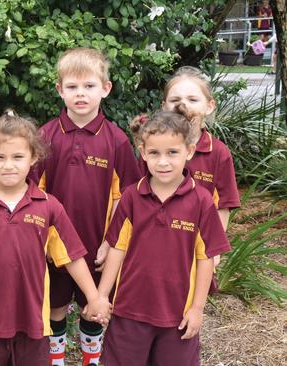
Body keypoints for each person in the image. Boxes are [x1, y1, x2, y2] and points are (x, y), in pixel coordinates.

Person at [0, 112, 111, 366]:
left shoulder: (49, 206)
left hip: (33, 322)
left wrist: (94, 297)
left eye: (18, 157)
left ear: (33, 158)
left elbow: (72, 257)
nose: (8, 165)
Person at [97, 109, 231, 366]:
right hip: (129, 311)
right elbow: (117, 249)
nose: (163, 162)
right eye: (155, 153)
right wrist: (103, 295)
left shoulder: (202, 201)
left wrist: (197, 309)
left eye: (172, 152)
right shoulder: (131, 197)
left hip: (178, 315)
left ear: (189, 152)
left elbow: (205, 259)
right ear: (143, 152)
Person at [33, 47, 140, 366]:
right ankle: (56, 358)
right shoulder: (46, 135)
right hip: (53, 244)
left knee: (92, 305)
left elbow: (127, 197)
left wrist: (111, 241)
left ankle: (91, 357)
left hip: (97, 244)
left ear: (105, 89)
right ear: (60, 90)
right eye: (73, 87)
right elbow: (33, 193)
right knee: (54, 304)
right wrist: (39, 240)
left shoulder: (117, 139)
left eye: (89, 86)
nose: (81, 94)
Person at [161, 66, 240, 268]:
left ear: (209, 106)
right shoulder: (154, 149)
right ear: (164, 106)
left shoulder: (218, 153)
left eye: (192, 100)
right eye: (175, 100)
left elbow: (223, 206)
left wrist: (214, 248)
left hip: (198, 244)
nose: (183, 105)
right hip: (158, 238)